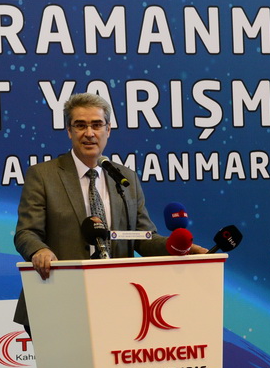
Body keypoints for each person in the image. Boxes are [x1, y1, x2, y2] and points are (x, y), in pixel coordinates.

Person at [13, 92, 200, 329]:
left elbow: (143, 238)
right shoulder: (43, 175)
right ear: (69, 131)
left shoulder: (125, 178)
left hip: (116, 301)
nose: (89, 133)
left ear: (108, 130)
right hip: (58, 300)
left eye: (96, 125)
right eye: (80, 125)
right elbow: (26, 233)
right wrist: (39, 250)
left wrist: (179, 247)